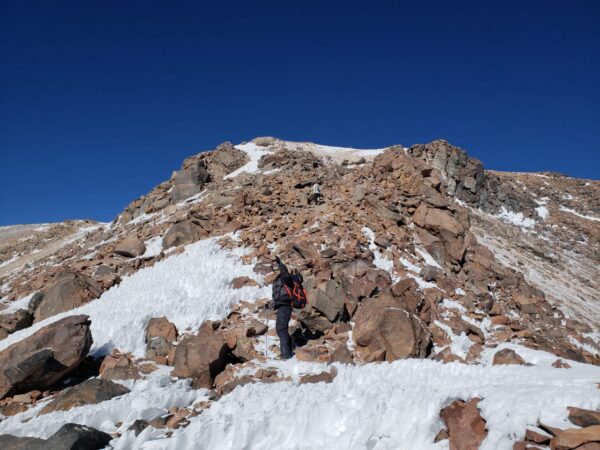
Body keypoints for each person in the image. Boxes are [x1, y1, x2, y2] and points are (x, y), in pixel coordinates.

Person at [271, 256, 303, 359]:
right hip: (281, 306)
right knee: (279, 328)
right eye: (274, 269)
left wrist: (280, 264)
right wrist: (270, 304)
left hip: (286, 306)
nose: (275, 271)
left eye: (276, 269)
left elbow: (286, 275)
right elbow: (277, 296)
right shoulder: (277, 281)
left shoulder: (284, 278)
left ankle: (286, 353)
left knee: (281, 328)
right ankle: (289, 346)